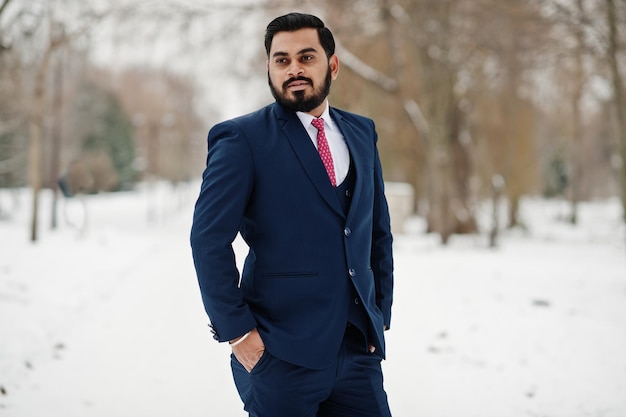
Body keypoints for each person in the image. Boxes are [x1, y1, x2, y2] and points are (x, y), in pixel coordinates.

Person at [190, 12, 394, 417]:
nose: (294, 69)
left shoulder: (361, 133)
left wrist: (379, 314)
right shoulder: (241, 139)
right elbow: (208, 240)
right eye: (281, 60)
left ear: (331, 65)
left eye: (306, 57)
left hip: (357, 353)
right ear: (269, 67)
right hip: (279, 356)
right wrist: (238, 334)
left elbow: (376, 232)